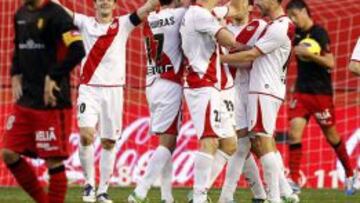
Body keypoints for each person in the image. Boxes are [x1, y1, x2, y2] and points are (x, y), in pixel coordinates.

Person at [53, 0, 159, 202]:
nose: (104, 3)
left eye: (108, 0)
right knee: (86, 135)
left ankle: (102, 190)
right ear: (94, 5)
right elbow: (61, 11)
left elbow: (146, 8)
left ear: (114, 5)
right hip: (89, 90)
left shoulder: (124, 24)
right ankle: (89, 184)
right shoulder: (84, 23)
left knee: (109, 142)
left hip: (114, 92)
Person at [0, 0, 85, 203]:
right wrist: (14, 73)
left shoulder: (57, 15)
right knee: (8, 153)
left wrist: (53, 75)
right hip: (26, 100)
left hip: (52, 101)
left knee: (53, 161)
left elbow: (77, 50)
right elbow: (19, 49)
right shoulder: (20, 13)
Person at [221, 0, 299, 202]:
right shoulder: (276, 25)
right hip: (264, 89)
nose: (257, 3)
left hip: (264, 89)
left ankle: (276, 197)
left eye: (260, 0)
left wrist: (217, 60)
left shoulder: (280, 27)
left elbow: (252, 54)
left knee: (263, 143)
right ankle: (276, 195)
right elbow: (251, 55)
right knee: (257, 142)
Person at [286, 0, 357, 195]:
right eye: (290, 17)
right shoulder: (296, 34)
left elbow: (330, 62)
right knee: (294, 133)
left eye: (294, 15)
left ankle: (351, 173)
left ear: (303, 11)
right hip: (301, 91)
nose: (293, 20)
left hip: (321, 94)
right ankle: (293, 182)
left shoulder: (319, 33)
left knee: (331, 135)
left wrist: (309, 54)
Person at [180, 0, 247, 202]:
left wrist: (227, 11)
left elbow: (240, 9)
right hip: (202, 84)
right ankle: (199, 197)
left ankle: (199, 193)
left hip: (215, 85)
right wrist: (249, 44)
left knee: (229, 144)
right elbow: (229, 40)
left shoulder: (208, 12)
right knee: (209, 139)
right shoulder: (199, 14)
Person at [127, 0, 186, 202]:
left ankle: (166, 196)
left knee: (166, 141)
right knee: (168, 142)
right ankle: (140, 192)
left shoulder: (149, 17)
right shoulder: (181, 15)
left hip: (152, 83)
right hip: (171, 83)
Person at [212, 1, 268, 202]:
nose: (234, 5)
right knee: (241, 143)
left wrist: (223, 58)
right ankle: (260, 195)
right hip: (226, 90)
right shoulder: (220, 28)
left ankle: (283, 191)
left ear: (250, 7)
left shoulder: (259, 27)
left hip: (249, 90)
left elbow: (251, 60)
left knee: (256, 144)